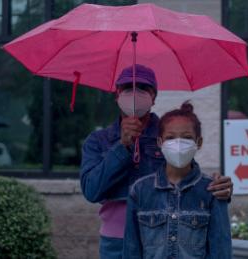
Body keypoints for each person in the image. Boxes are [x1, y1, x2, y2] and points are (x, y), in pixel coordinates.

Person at [80, 64, 233, 258]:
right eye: (127, 88)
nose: (135, 93)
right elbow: (92, 190)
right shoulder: (98, 140)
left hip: (164, 234)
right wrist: (122, 146)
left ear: (154, 97)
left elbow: (185, 177)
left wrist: (217, 187)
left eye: (143, 88)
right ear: (116, 94)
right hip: (116, 240)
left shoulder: (169, 134)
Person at [123, 101, 231, 259]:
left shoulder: (213, 190)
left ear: (198, 142)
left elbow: (221, 250)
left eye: (187, 138)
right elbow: (131, 249)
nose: (178, 144)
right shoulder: (139, 190)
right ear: (160, 142)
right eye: (170, 138)